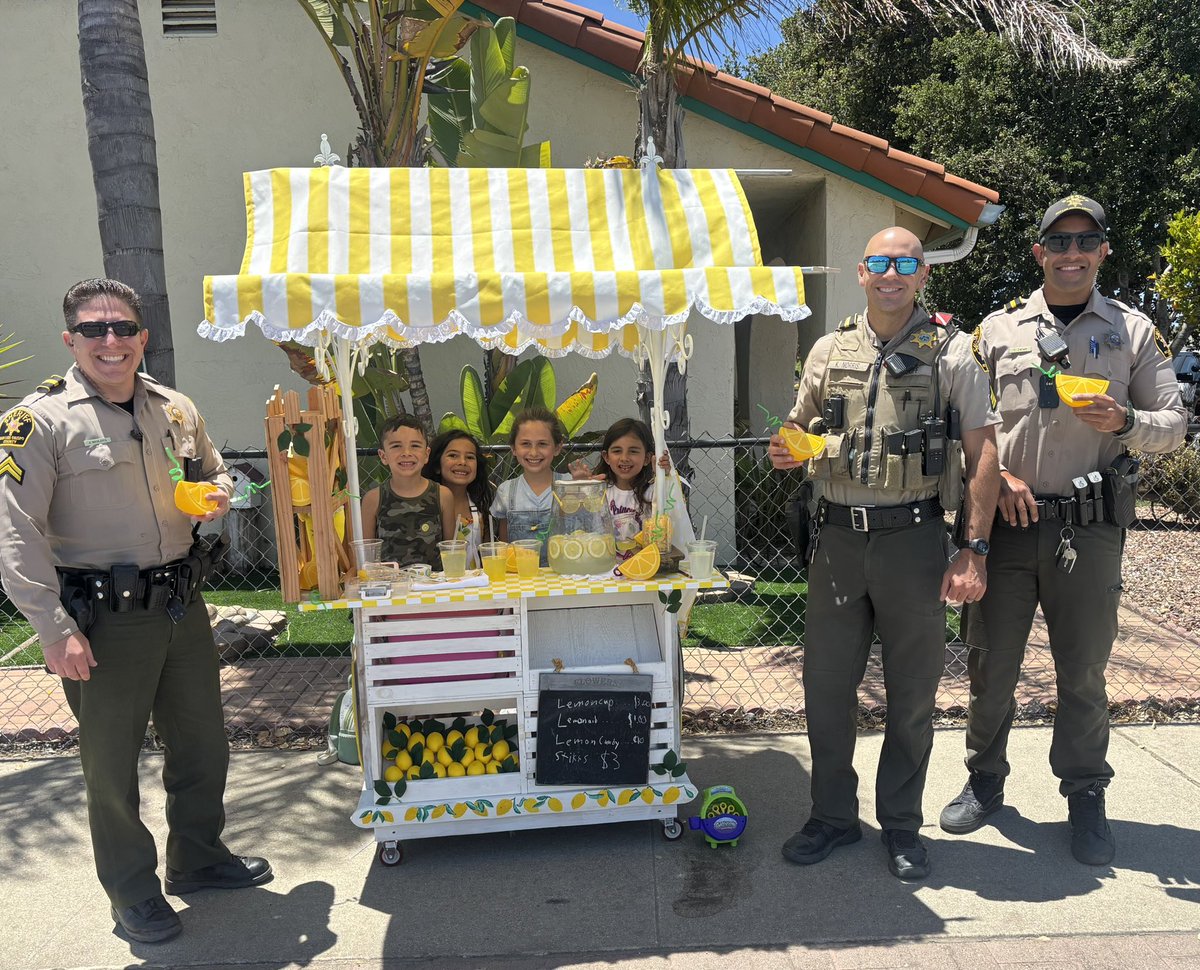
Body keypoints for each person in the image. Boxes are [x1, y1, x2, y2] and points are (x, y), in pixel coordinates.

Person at [0, 279, 272, 944]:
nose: (111, 341)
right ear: (71, 340)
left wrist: (216, 492)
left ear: (142, 337)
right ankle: (132, 892)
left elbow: (215, 471)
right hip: (102, 621)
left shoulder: (174, 408)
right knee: (111, 766)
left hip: (182, 606)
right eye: (94, 329)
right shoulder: (42, 421)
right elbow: (13, 531)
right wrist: (53, 629)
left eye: (123, 327)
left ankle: (198, 859)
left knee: (202, 745)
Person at [938, 196, 1187, 865]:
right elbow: (962, 426)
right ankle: (984, 780)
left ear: (1103, 251)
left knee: (1083, 672)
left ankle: (1085, 793)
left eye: (1084, 241)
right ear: (1038, 252)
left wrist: (1127, 423)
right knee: (991, 664)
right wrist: (997, 477)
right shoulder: (997, 330)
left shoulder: (1133, 332)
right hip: (1006, 528)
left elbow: (1175, 424)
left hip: (1089, 528)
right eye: (1058, 241)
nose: (1071, 253)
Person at [769, 228, 1000, 880]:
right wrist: (785, 446)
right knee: (825, 687)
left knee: (912, 694)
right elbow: (796, 427)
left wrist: (973, 550)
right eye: (879, 262)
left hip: (915, 540)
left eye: (904, 263)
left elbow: (984, 454)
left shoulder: (953, 353)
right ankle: (832, 817)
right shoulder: (828, 349)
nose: (890, 273)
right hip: (837, 540)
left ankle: (900, 824)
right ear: (862, 272)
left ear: (922, 274)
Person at [569, 417, 694, 562]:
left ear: (647, 458)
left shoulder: (655, 492)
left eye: (633, 451)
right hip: (605, 569)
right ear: (606, 457)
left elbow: (674, 515)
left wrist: (665, 478)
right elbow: (575, 523)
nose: (624, 458)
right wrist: (579, 488)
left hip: (646, 568)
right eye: (617, 451)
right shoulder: (598, 491)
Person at [361, 415, 455, 569]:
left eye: (415, 446)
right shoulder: (373, 499)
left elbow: (450, 552)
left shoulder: (443, 496)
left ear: (426, 454)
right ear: (383, 456)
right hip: (389, 583)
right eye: (396, 446)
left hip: (434, 582)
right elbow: (368, 558)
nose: (406, 452)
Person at [490, 407, 569, 564]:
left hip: (564, 574)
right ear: (514, 448)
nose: (533, 452)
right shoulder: (506, 491)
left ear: (557, 448)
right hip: (521, 575)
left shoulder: (570, 485)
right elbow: (505, 547)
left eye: (542, 444)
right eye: (525, 444)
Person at [423, 429, 493, 567]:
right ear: (437, 466)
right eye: (453, 455)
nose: (462, 462)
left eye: (470, 457)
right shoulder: (426, 505)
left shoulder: (481, 505)